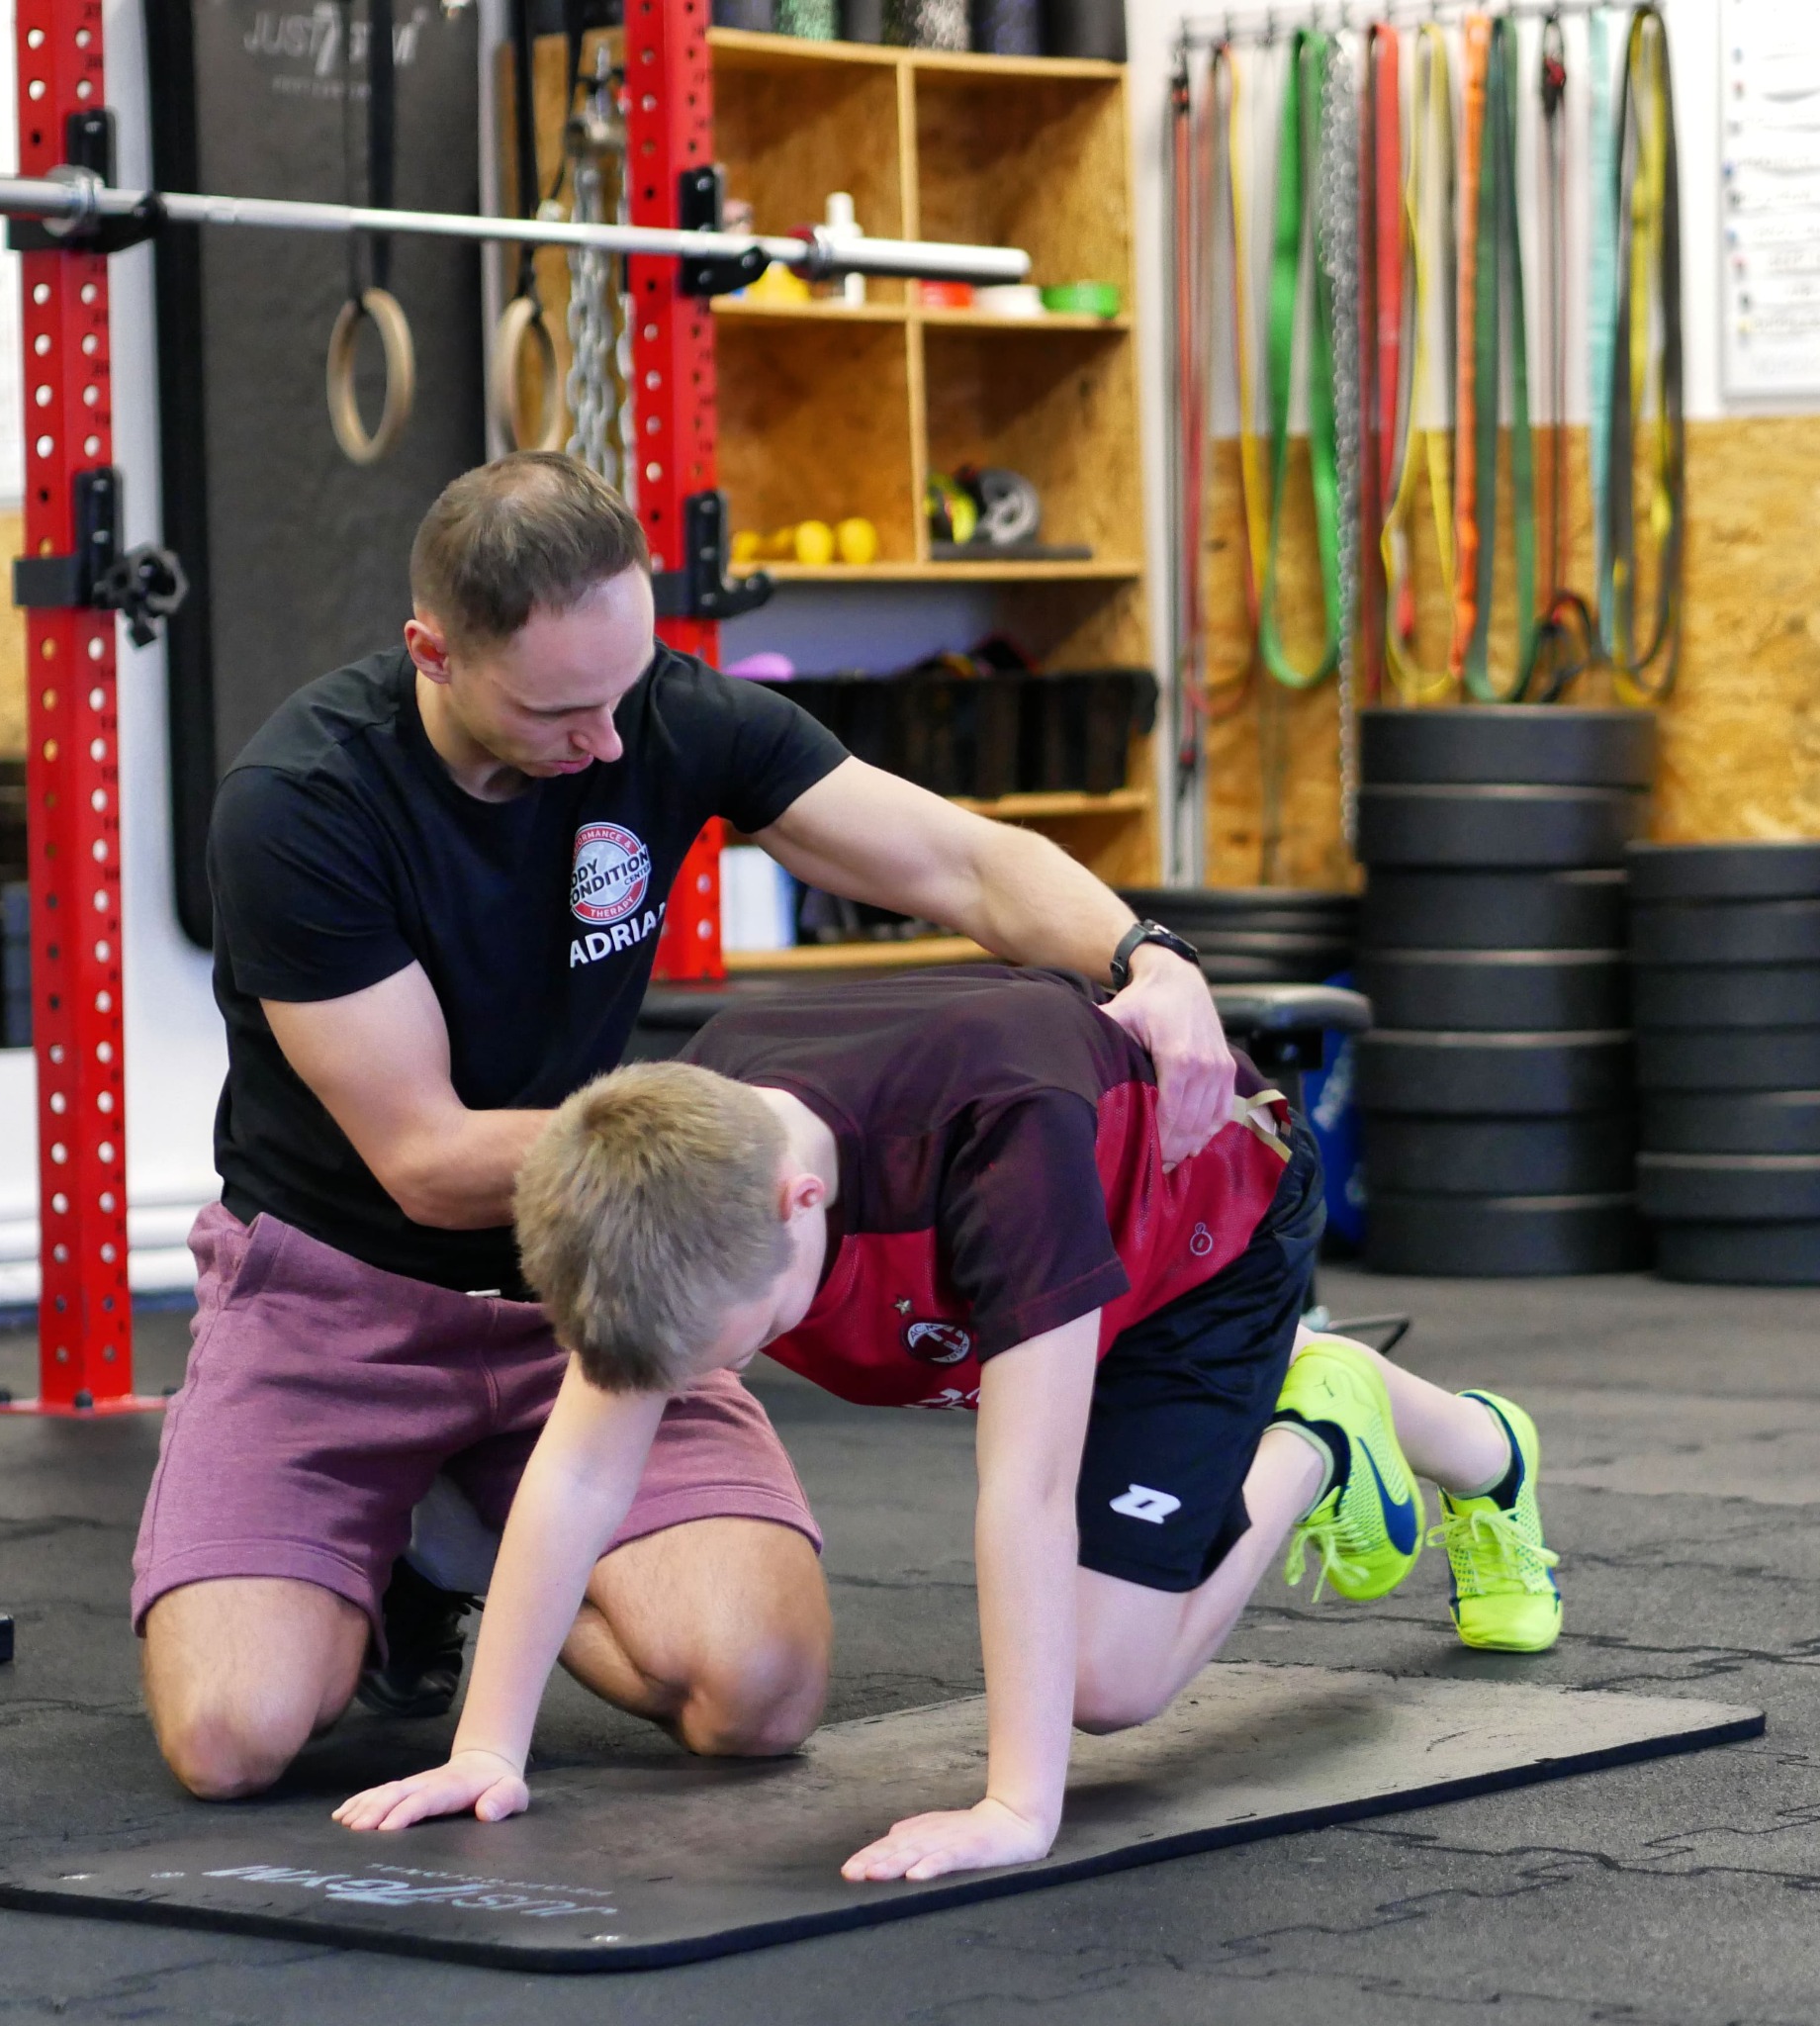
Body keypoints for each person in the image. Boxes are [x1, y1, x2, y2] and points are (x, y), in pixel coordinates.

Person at [134, 453, 1244, 1800]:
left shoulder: (652, 713)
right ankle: (394, 1539)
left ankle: (463, 1549)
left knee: (755, 1693)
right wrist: (742, 1144)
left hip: (596, 1285)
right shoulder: (302, 805)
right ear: (432, 652)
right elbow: (425, 1164)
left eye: (622, 692)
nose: (606, 744)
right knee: (234, 1736)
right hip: (340, 1301)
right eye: (559, 709)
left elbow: (958, 862)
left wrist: (1146, 957)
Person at [332, 966, 1562, 1882]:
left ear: (799, 1198)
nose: (730, 1368)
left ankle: (1320, 1435)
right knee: (1062, 1439)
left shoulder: (999, 1149)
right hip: (1057, 1260)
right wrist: (489, 1746)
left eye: (736, 1337)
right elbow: (581, 1466)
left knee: (1104, 1675)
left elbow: (1020, 1491)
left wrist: (1015, 1806)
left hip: (1201, 1249)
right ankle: (1478, 1449)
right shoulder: (674, 1175)